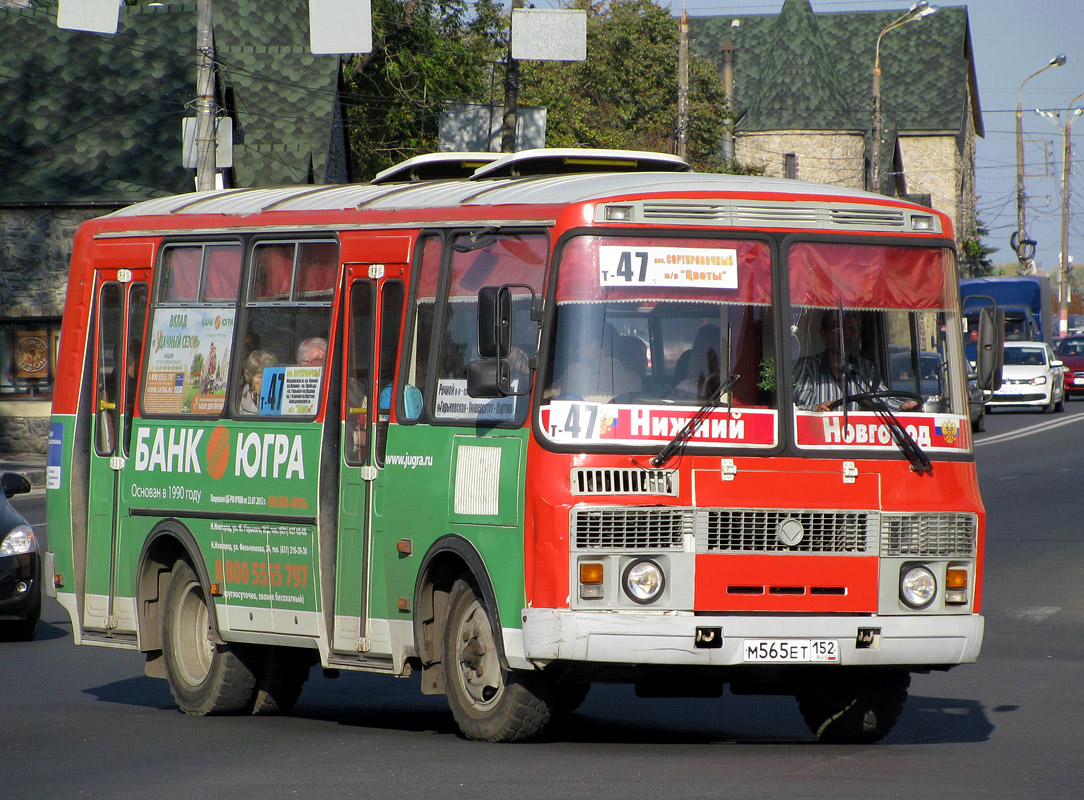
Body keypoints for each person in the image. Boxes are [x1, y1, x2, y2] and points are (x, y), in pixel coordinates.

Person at [792, 310, 918, 412]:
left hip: (854, 442)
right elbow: (793, 407)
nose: (845, 335)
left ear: (858, 334)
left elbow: (883, 399)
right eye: (838, 330)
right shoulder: (807, 368)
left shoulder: (866, 369)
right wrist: (815, 409)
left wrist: (903, 406)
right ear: (823, 335)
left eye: (851, 329)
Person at [240, 349, 278, 413]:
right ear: (250, 376)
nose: (264, 381)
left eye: (268, 376)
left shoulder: (280, 396)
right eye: (260, 377)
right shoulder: (238, 397)